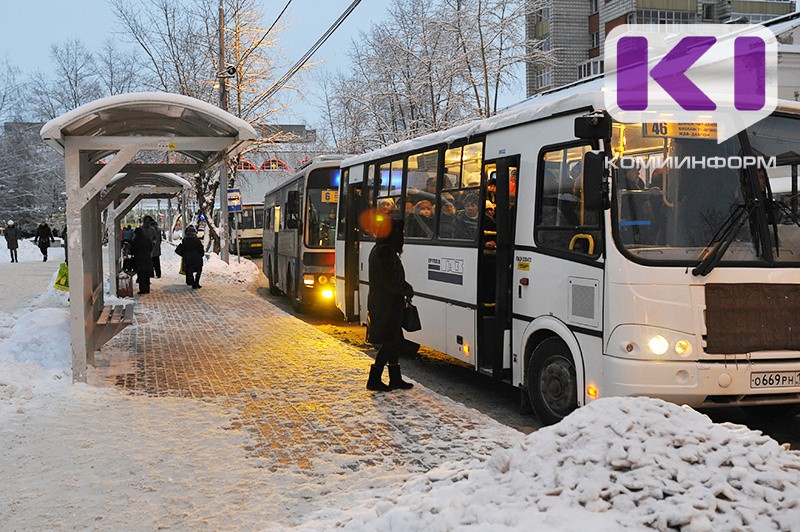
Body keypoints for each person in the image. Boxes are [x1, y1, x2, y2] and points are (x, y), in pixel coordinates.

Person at [366, 219, 415, 392]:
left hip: (386, 303)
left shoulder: (381, 249)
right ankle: (374, 379)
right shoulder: (385, 252)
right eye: (400, 233)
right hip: (386, 305)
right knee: (389, 342)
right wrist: (406, 288)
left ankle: (395, 378)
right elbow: (391, 281)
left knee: (393, 341)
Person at [181, 225, 205, 289]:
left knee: (190, 271)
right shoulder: (197, 240)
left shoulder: (184, 240)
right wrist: (201, 255)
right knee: (199, 270)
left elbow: (183, 249)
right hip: (197, 258)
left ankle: (193, 283)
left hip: (188, 258)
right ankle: (197, 282)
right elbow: (201, 249)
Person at [131, 227, 153, 294]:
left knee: (141, 275)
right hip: (147, 258)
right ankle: (147, 289)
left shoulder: (136, 240)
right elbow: (151, 248)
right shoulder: (147, 239)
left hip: (139, 259)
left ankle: (142, 290)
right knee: (147, 274)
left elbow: (133, 250)